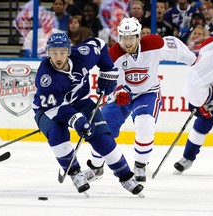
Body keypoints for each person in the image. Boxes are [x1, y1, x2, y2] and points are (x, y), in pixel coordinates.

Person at [32, 32, 144, 196]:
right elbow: (56, 107)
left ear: (69, 51)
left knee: (102, 139)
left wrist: (108, 72)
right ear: (48, 52)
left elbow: (99, 44)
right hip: (48, 109)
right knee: (57, 134)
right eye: (54, 52)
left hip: (82, 102)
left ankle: (126, 177)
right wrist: (77, 120)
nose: (58, 57)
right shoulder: (45, 76)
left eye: (62, 52)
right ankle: (75, 173)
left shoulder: (83, 55)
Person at [87, 17, 197, 183]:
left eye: (131, 37)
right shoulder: (113, 55)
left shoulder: (153, 44)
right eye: (124, 38)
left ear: (138, 36)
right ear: (119, 38)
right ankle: (96, 167)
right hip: (122, 96)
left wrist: (194, 62)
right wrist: (116, 91)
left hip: (148, 92)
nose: (128, 42)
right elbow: (107, 84)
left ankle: (140, 165)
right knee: (103, 128)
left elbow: (175, 46)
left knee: (145, 124)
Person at [173, 3, 213, 178]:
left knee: (205, 111)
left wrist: (198, 101)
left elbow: (196, 77)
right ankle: (188, 157)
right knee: (207, 114)